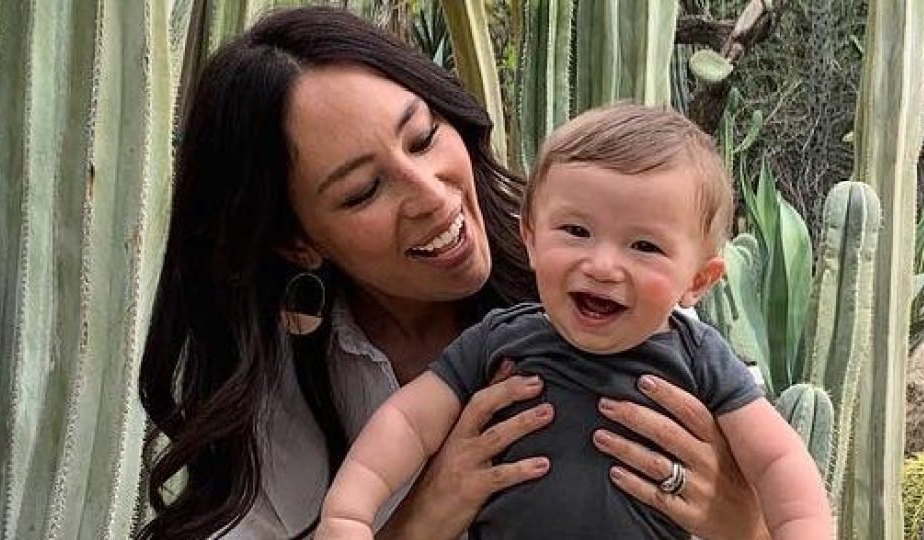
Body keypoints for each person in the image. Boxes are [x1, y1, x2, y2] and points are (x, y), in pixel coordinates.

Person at [137, 7, 771, 540]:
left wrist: (739, 523)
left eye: (422, 139)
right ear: (297, 242)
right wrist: (416, 522)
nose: (431, 196)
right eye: (362, 192)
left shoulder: (610, 297)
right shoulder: (275, 401)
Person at [315, 103, 832, 540]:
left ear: (698, 280)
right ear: (532, 238)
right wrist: (349, 514)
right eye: (576, 230)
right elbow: (407, 422)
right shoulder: (501, 338)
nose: (602, 265)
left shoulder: (700, 357)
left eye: (644, 246)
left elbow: (778, 461)